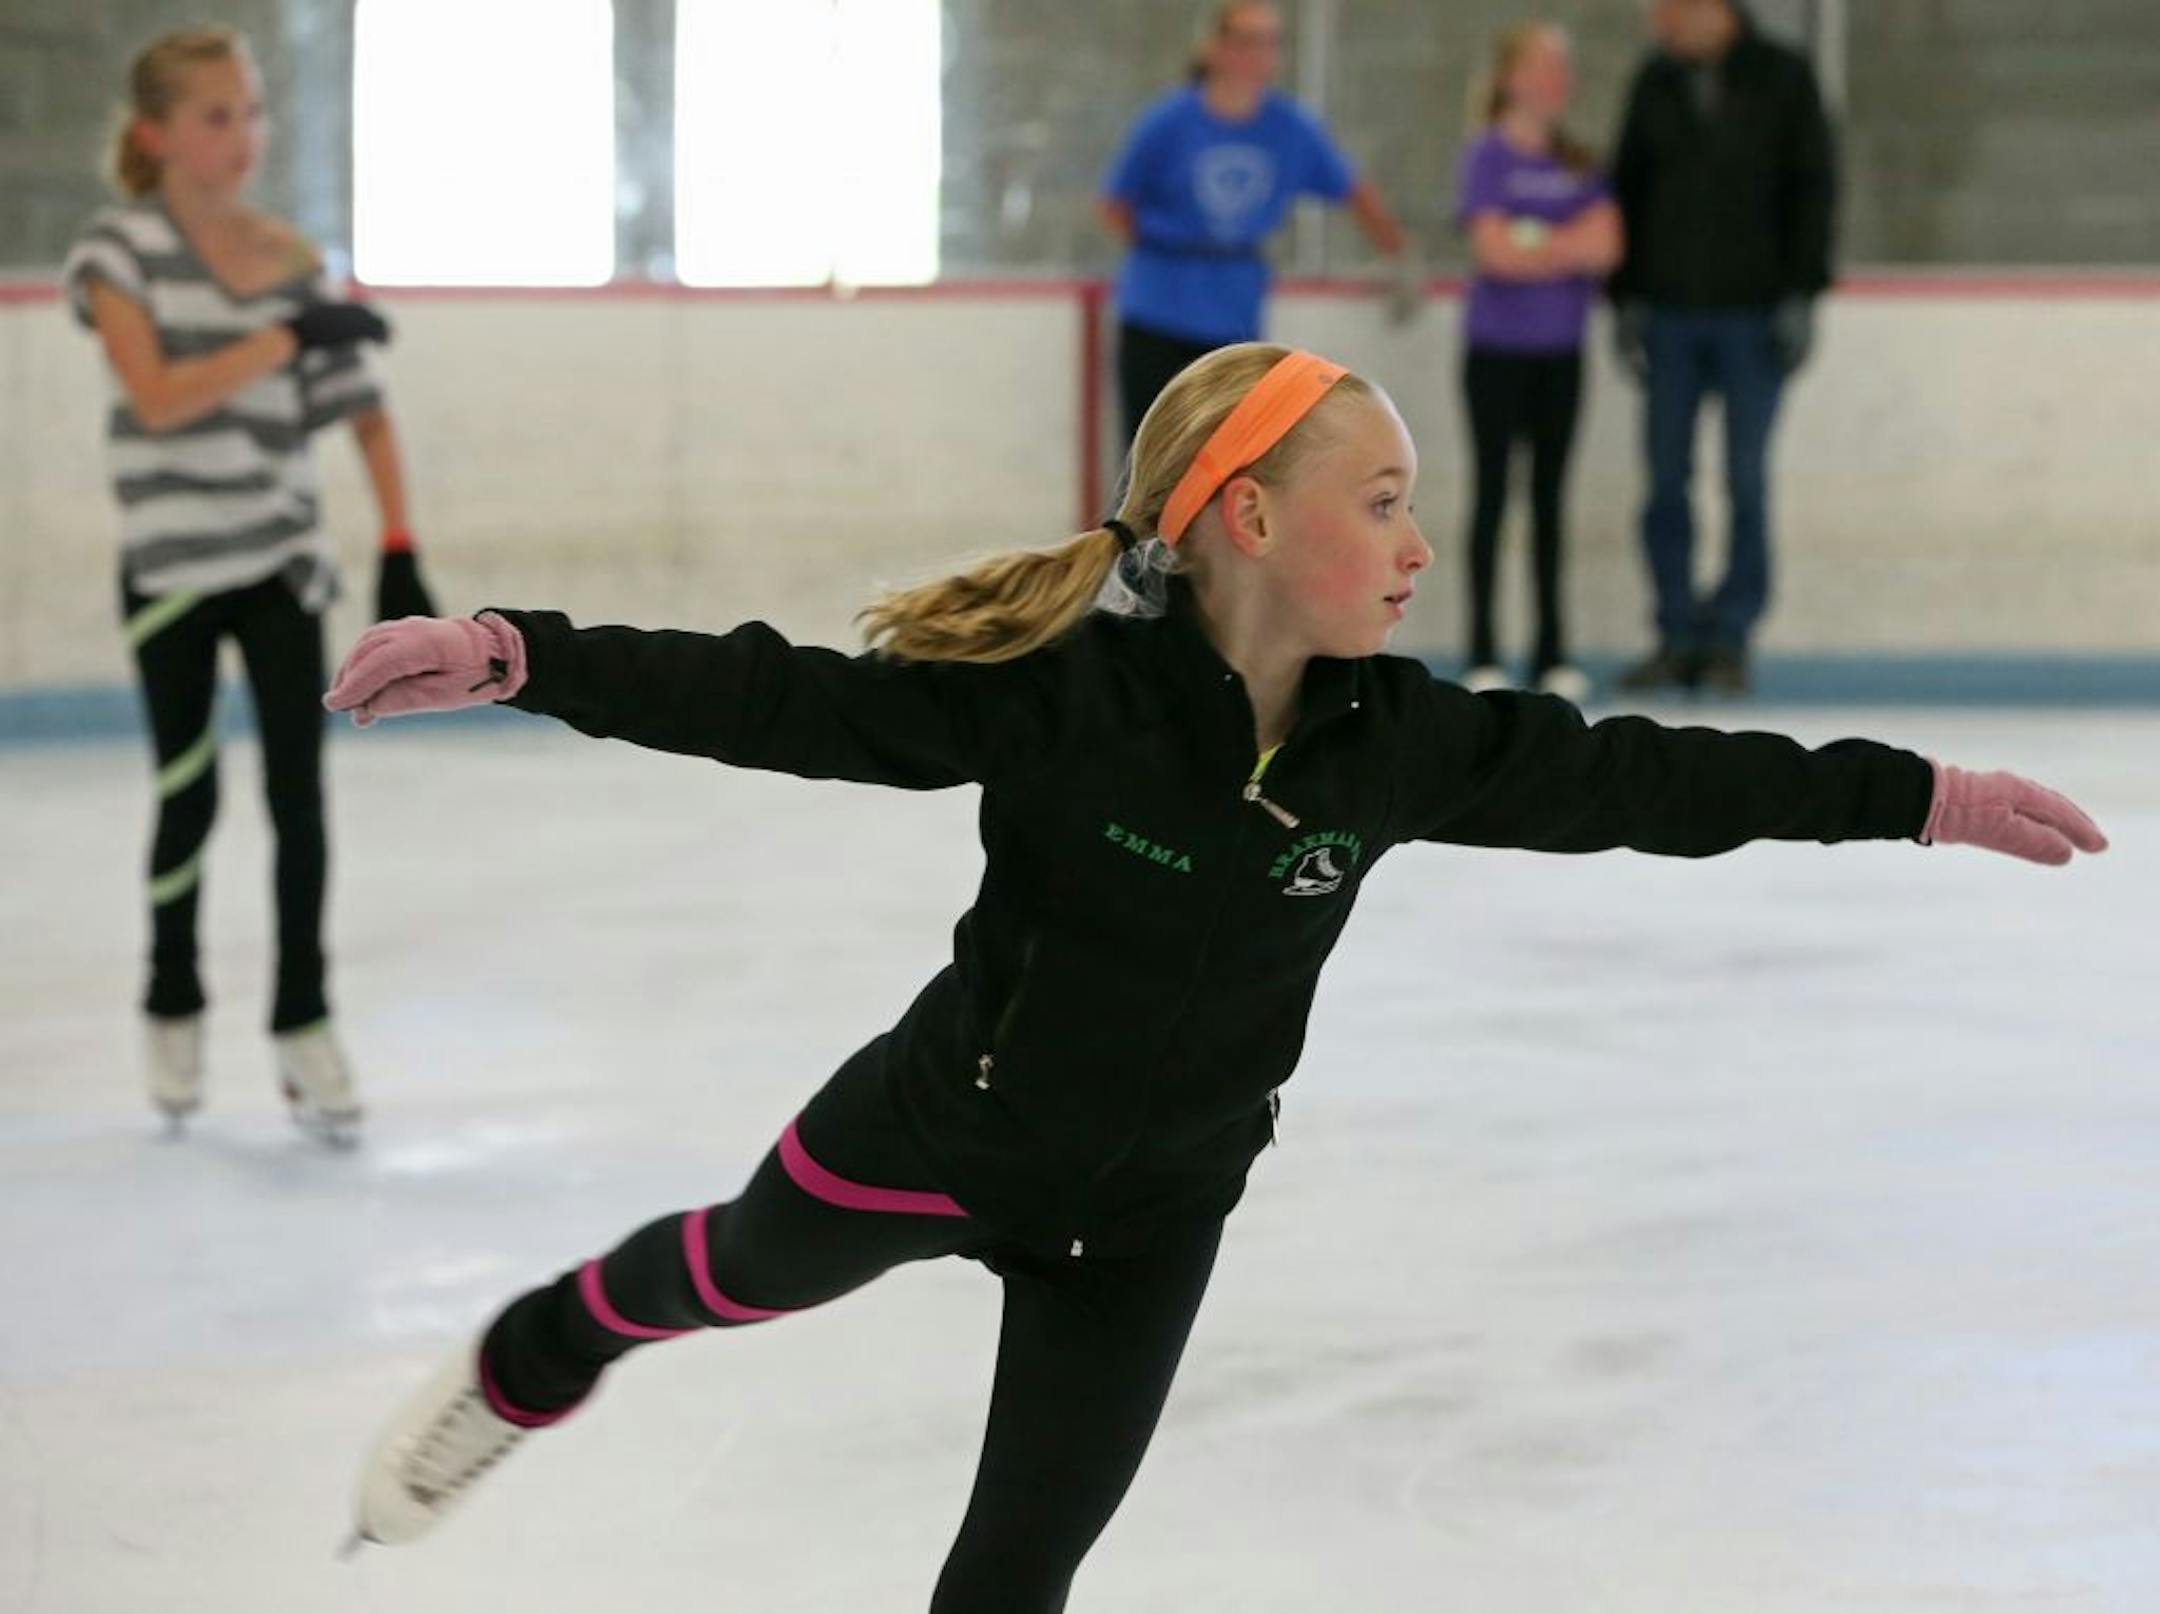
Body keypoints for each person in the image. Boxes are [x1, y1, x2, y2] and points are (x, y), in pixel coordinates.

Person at [324, 344, 2104, 1611]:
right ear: (1248, 516)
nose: (1420, 548)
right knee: (723, 1268)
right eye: (1386, 502)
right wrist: (519, 651)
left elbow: (1655, 779)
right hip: (944, 1127)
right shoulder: (1057, 692)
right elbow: (783, 693)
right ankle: (544, 1344)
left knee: (1018, 1569)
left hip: (1157, 1203)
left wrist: (1915, 797)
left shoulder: (1394, 742)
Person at [61, 26, 432, 1143]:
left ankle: (303, 1018)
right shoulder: (113, 253)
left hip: (281, 566)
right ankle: (172, 998)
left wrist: (400, 542)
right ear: (156, 135)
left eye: (254, 113)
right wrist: (284, 335)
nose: (245, 136)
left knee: (298, 802)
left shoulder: (289, 258)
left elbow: (361, 411)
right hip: (172, 570)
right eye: (218, 115)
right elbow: (161, 395)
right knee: (189, 795)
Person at [1608, 0, 1836, 695]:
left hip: (1753, 316)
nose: (1658, 21)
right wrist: (1627, 297)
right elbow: (1628, 190)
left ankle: (1731, 635)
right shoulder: (1656, 81)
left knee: (1745, 479)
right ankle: (1676, 634)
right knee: (1666, 481)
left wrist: (1801, 293)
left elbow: (1815, 187)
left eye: (1671, 8)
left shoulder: (1785, 78)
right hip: (1672, 314)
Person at [1097, 0, 1411, 441]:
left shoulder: (1290, 127)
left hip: (1234, 313)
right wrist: (1169, 244)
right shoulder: (1168, 121)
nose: (1258, 55)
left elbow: (1353, 189)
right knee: (1149, 452)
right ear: (1214, 48)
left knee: (1225, 452)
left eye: (1269, 42)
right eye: (1246, 40)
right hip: (1157, 307)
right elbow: (1114, 203)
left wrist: (1399, 253)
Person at [1454, 21, 1622, 700]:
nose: (1558, 81)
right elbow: (1493, 252)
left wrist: (1533, 240)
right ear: (1512, 77)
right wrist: (1563, 242)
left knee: (1551, 501)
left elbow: (1607, 247)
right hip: (1495, 354)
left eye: (1565, 69)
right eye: (1545, 67)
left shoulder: (1580, 162)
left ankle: (1552, 649)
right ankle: (1483, 648)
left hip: (1561, 354)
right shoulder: (1487, 157)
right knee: (1493, 495)